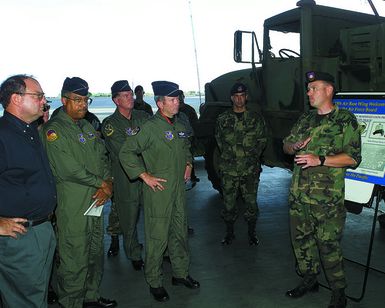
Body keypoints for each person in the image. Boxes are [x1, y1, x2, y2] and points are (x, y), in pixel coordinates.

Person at [283, 71, 362, 308]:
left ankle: (339, 292)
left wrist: (321, 159)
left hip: (326, 200)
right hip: (299, 195)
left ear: (328, 90)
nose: (309, 92)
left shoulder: (345, 120)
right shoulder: (305, 119)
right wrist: (293, 145)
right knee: (301, 242)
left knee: (328, 245)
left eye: (313, 88)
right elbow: (286, 146)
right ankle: (309, 279)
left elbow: (353, 158)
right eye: (308, 88)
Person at [119, 80, 200, 302]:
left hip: (178, 191)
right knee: (157, 238)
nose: (177, 103)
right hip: (159, 192)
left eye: (178, 99)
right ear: (160, 103)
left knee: (180, 233)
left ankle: (180, 273)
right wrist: (144, 175)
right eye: (173, 100)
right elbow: (126, 152)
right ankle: (154, 281)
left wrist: (189, 164)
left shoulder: (180, 125)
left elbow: (185, 149)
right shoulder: (149, 128)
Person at [41, 77, 116, 308]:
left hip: (96, 200)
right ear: (64, 100)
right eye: (77, 100)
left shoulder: (87, 127)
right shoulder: (53, 130)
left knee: (95, 251)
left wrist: (108, 184)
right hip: (73, 204)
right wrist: (101, 184)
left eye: (86, 99)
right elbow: (68, 168)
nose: (83, 104)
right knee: (74, 256)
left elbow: (103, 157)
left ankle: (90, 296)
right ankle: (71, 301)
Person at [0, 74, 57, 307]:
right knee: (25, 301)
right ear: (16, 99)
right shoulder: (3, 135)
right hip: (20, 237)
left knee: (37, 295)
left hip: (42, 229)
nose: (44, 101)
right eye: (38, 96)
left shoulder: (29, 130)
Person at [102, 80, 150, 270]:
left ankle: (161, 251)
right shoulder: (110, 125)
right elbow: (125, 151)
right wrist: (145, 147)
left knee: (155, 216)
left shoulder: (143, 116)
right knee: (129, 221)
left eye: (130, 93)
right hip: (125, 179)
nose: (130, 97)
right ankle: (134, 254)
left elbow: (155, 139)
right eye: (125, 95)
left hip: (148, 176)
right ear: (116, 100)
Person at [215, 82, 267, 246]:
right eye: (236, 96)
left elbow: (262, 140)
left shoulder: (255, 119)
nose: (239, 99)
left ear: (246, 97)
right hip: (229, 171)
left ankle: (252, 234)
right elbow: (219, 141)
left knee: (251, 204)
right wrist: (231, 158)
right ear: (232, 98)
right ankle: (229, 233)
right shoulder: (223, 119)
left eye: (242, 96)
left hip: (249, 170)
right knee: (229, 204)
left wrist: (251, 158)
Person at [178, 90, 200, 183]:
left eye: (181, 96)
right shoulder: (174, 110)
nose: (180, 98)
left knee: (190, 158)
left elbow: (195, 124)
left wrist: (193, 137)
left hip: (189, 138)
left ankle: (192, 176)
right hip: (178, 139)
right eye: (178, 97)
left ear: (183, 97)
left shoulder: (189, 110)